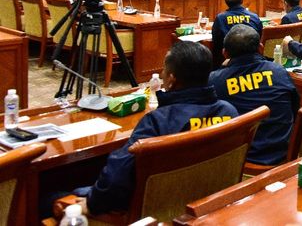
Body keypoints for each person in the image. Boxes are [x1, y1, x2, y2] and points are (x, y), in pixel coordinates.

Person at [72, 42, 238, 215]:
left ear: (172, 80)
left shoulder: (158, 122)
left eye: (164, 71)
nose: (162, 75)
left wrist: (91, 204)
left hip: (157, 211)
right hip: (207, 204)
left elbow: (115, 179)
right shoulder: (229, 111)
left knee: (52, 198)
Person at [209, 25, 297, 165]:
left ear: (225, 54)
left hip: (241, 161)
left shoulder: (215, 80)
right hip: (283, 156)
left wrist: (222, 69)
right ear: (261, 48)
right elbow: (295, 108)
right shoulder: (279, 71)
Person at [212, 0, 263, 66]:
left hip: (229, 59)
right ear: (242, 0)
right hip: (253, 57)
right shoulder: (254, 16)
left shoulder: (220, 18)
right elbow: (259, 36)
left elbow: (216, 41)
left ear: (226, 2)